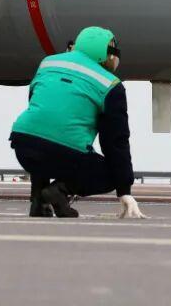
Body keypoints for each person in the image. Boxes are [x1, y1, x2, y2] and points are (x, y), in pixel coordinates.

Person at [10, 26, 145, 219]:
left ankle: (39, 201)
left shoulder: (48, 63)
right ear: (105, 54)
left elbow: (38, 108)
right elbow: (115, 142)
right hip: (64, 151)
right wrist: (124, 189)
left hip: (24, 145)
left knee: (42, 137)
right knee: (112, 172)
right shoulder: (110, 84)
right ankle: (61, 190)